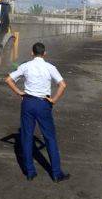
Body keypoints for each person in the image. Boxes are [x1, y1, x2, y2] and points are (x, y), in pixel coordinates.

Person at [5, 42, 70, 183]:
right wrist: (53, 100)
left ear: (32, 53)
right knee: (50, 138)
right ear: (44, 53)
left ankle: (30, 172)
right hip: (43, 104)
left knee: (27, 137)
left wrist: (20, 93)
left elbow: (9, 79)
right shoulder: (50, 67)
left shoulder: (26, 66)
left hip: (28, 103)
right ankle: (56, 173)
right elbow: (62, 85)